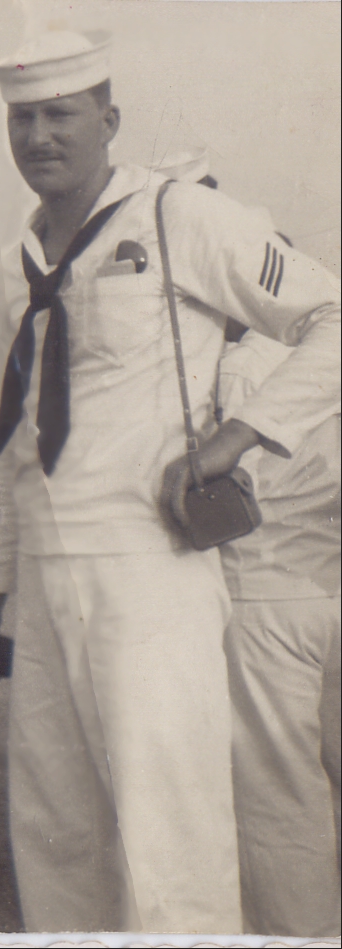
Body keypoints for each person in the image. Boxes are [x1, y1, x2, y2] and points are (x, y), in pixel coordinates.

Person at [0, 31, 341, 934]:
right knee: (57, 837)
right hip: (45, 583)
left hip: (151, 577)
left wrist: (237, 436)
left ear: (109, 120)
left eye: (60, 114)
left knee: (170, 840)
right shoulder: (16, 263)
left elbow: (330, 316)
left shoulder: (178, 216)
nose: (39, 135)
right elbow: (12, 449)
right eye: (21, 118)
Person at [218, 326, 341, 937]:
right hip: (330, 587)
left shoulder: (238, 368)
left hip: (265, 596)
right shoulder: (327, 359)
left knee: (281, 800)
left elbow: (224, 491)